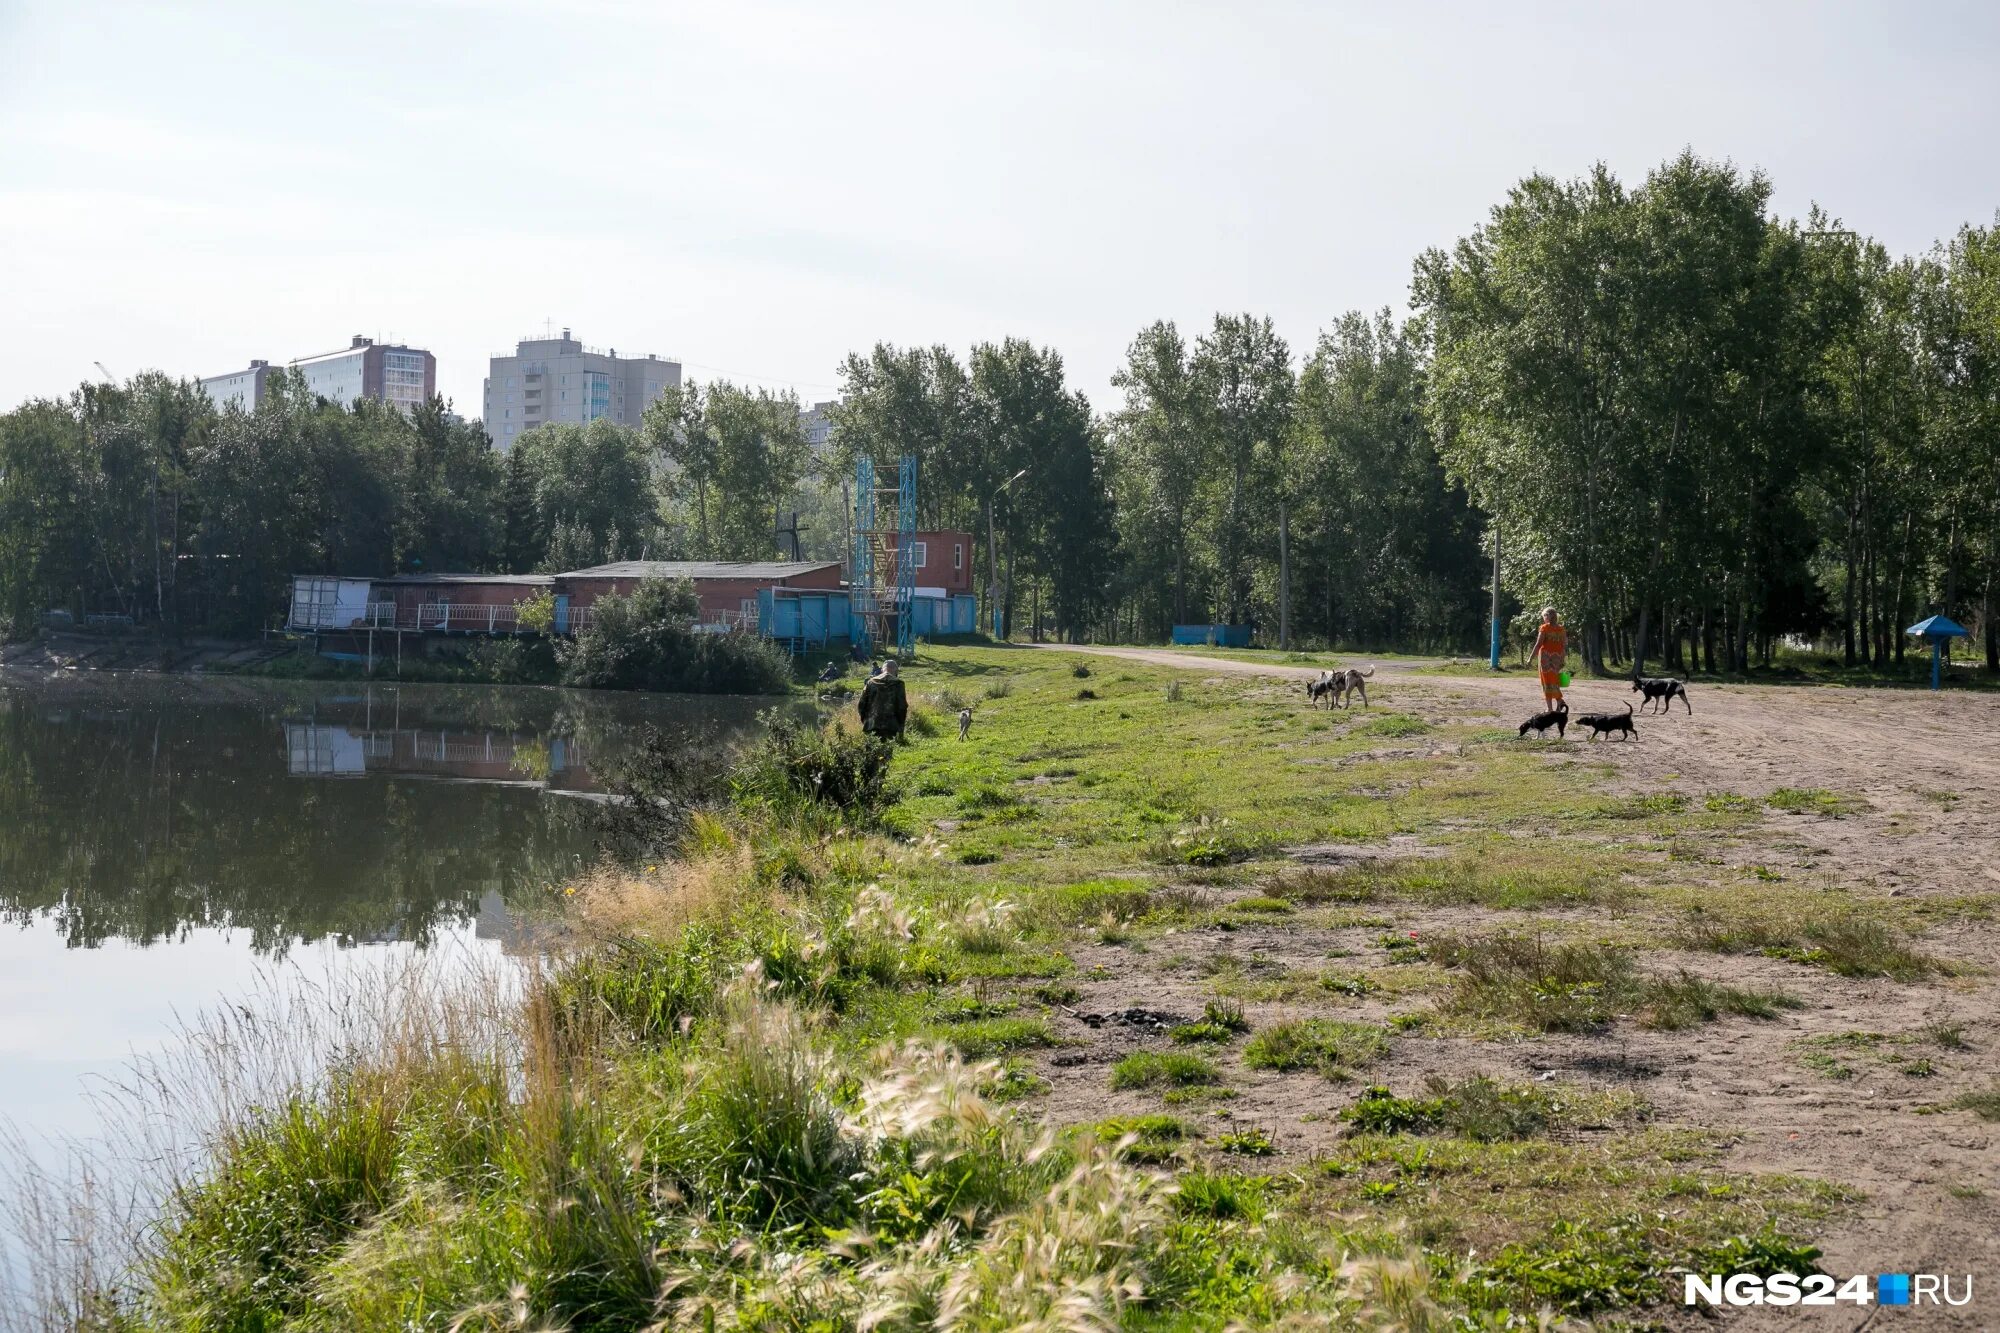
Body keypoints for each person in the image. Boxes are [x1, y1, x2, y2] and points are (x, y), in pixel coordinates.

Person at [857, 657, 908, 741]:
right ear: (896, 671)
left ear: (881, 670)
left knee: (870, 752)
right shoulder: (899, 684)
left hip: (871, 725)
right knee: (887, 752)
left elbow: (861, 704)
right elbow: (902, 707)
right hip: (890, 726)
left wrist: (865, 720)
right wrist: (900, 727)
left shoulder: (871, 682)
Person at [1531, 606, 1567, 711]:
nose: (1543, 618)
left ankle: (1549, 708)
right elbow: (1564, 646)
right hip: (1557, 658)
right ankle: (1559, 701)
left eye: (1544, 616)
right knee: (1554, 681)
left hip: (1545, 659)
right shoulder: (1561, 629)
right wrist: (1563, 659)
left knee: (1546, 682)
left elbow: (1538, 644)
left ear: (1547, 616)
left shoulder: (1544, 628)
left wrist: (1530, 658)